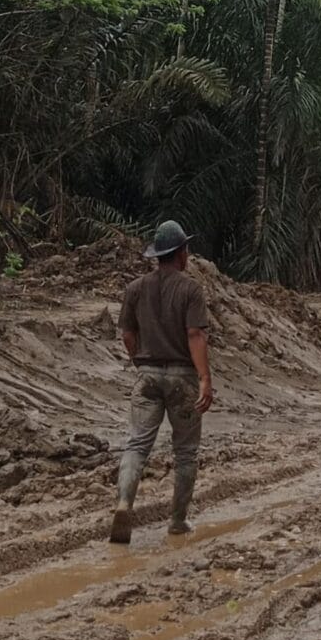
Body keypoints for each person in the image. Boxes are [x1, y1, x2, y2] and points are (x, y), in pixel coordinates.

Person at [112, 220, 214, 545]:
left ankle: (124, 503)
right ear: (182, 253)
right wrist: (205, 378)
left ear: (158, 254)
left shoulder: (135, 288)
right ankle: (177, 522)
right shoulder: (191, 289)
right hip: (182, 377)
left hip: (147, 375)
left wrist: (138, 360)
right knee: (185, 453)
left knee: (137, 445)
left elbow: (128, 334)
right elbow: (195, 334)